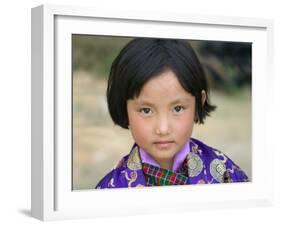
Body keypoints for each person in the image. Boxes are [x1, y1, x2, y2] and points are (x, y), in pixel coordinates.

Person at [95, 38, 248, 189]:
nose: (163, 129)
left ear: (198, 104)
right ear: (124, 108)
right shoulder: (111, 188)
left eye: (178, 109)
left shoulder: (225, 173)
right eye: (146, 110)